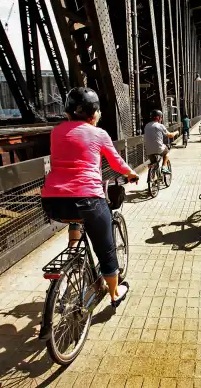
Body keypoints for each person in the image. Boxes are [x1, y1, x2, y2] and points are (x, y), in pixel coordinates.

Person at [41, 87, 139, 306]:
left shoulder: (56, 132)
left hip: (53, 203)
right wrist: (131, 174)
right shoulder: (99, 134)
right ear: (94, 113)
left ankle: (73, 253)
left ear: (67, 113)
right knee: (106, 249)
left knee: (76, 217)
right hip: (88, 200)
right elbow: (116, 163)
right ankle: (113, 294)